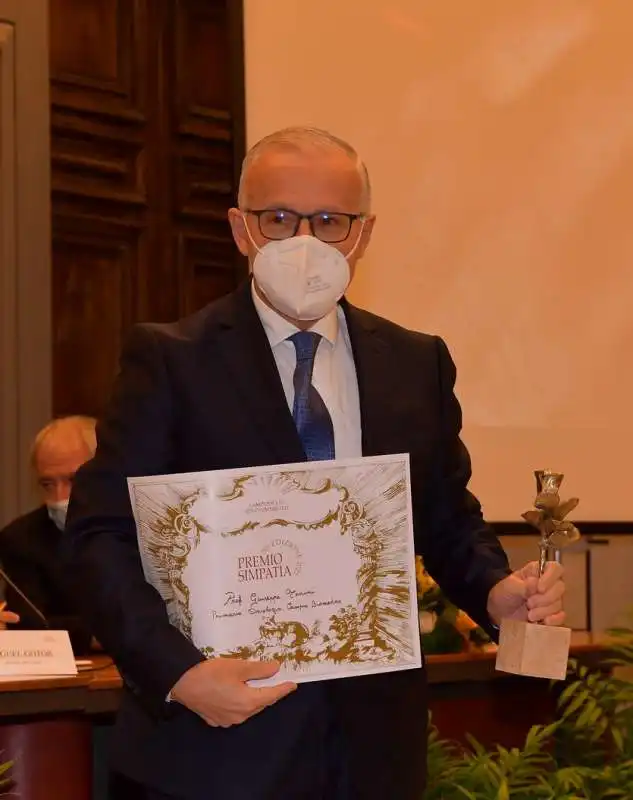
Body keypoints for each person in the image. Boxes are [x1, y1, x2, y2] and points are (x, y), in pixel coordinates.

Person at [64, 127, 565, 800]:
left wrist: (494, 592)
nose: (303, 242)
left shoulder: (413, 363)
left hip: (370, 753)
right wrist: (178, 674)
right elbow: (100, 538)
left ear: (362, 234)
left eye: (329, 220)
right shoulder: (170, 360)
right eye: (278, 219)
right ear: (240, 230)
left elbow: (446, 518)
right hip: (210, 750)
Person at [0, 415, 96, 652]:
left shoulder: (150, 528)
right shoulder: (20, 539)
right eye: (47, 484)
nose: (59, 497)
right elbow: (31, 628)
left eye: (73, 480)